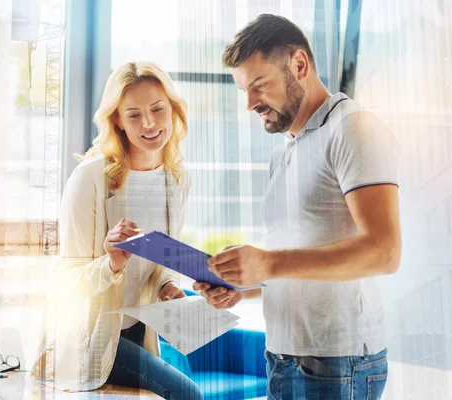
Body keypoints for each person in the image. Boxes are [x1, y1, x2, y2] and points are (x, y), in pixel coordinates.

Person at [194, 14, 400, 399]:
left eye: (259, 86)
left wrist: (269, 264)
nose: (250, 104)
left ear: (299, 65)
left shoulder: (353, 128)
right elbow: (300, 255)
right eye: (244, 91)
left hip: (337, 363)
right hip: (281, 357)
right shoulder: (287, 146)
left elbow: (384, 252)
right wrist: (246, 285)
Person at [45, 61, 203, 399]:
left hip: (140, 332)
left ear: (173, 109)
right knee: (189, 395)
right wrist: (112, 263)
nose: (149, 123)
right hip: (93, 338)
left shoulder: (177, 179)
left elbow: (157, 264)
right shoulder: (90, 178)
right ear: (116, 119)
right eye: (133, 115)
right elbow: (64, 281)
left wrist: (169, 286)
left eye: (157, 109)